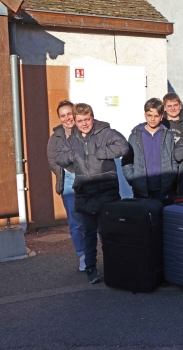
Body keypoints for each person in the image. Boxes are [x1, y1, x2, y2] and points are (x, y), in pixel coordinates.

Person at [56, 103, 129, 284]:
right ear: (75, 121)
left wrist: (99, 153)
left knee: (108, 233)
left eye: (87, 119)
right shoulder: (71, 139)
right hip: (85, 193)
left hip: (106, 192)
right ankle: (91, 268)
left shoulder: (105, 132)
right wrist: (73, 156)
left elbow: (124, 147)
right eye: (80, 120)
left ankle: (114, 267)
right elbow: (59, 158)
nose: (84, 123)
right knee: (88, 234)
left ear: (92, 118)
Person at [47, 101, 86, 272]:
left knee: (94, 217)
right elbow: (52, 162)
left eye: (69, 114)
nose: (67, 118)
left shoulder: (85, 130)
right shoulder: (55, 137)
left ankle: (103, 252)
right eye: (63, 115)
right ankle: (82, 255)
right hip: (69, 179)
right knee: (75, 221)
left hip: (87, 178)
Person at [121, 98, 179, 205]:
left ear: (161, 116)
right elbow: (126, 161)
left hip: (162, 189)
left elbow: (173, 159)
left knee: (161, 219)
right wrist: (133, 181)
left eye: (156, 116)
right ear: (145, 115)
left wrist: (170, 179)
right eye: (149, 115)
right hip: (141, 189)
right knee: (143, 220)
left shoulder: (168, 135)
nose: (152, 119)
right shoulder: (135, 135)